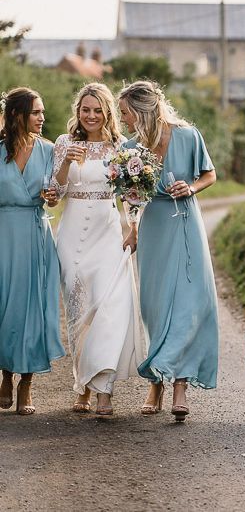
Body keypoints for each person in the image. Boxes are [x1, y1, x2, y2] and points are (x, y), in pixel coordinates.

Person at [118, 80, 218, 421]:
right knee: (155, 306)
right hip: (154, 225)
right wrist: (132, 230)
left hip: (185, 223)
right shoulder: (130, 147)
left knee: (188, 303)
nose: (123, 120)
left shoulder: (188, 135)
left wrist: (191, 187)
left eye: (126, 113)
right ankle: (157, 382)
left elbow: (210, 174)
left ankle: (179, 386)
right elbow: (130, 198)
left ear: (143, 110)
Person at [52, 83, 143, 416]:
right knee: (79, 313)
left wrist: (132, 227)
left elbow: (133, 195)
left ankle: (104, 388)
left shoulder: (121, 147)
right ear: (78, 111)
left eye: (97, 110)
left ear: (107, 112)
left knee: (107, 307)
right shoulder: (65, 143)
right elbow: (53, 193)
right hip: (72, 236)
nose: (90, 116)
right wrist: (65, 164)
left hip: (107, 235)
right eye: (84, 110)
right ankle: (82, 386)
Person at [0, 87, 65, 415]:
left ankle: (26, 381)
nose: (42, 118)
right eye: (36, 112)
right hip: (3, 235)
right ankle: (5, 374)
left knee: (31, 309)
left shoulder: (51, 151)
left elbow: (56, 195)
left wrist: (53, 196)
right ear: (17, 116)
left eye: (42, 112)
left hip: (36, 234)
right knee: (4, 306)